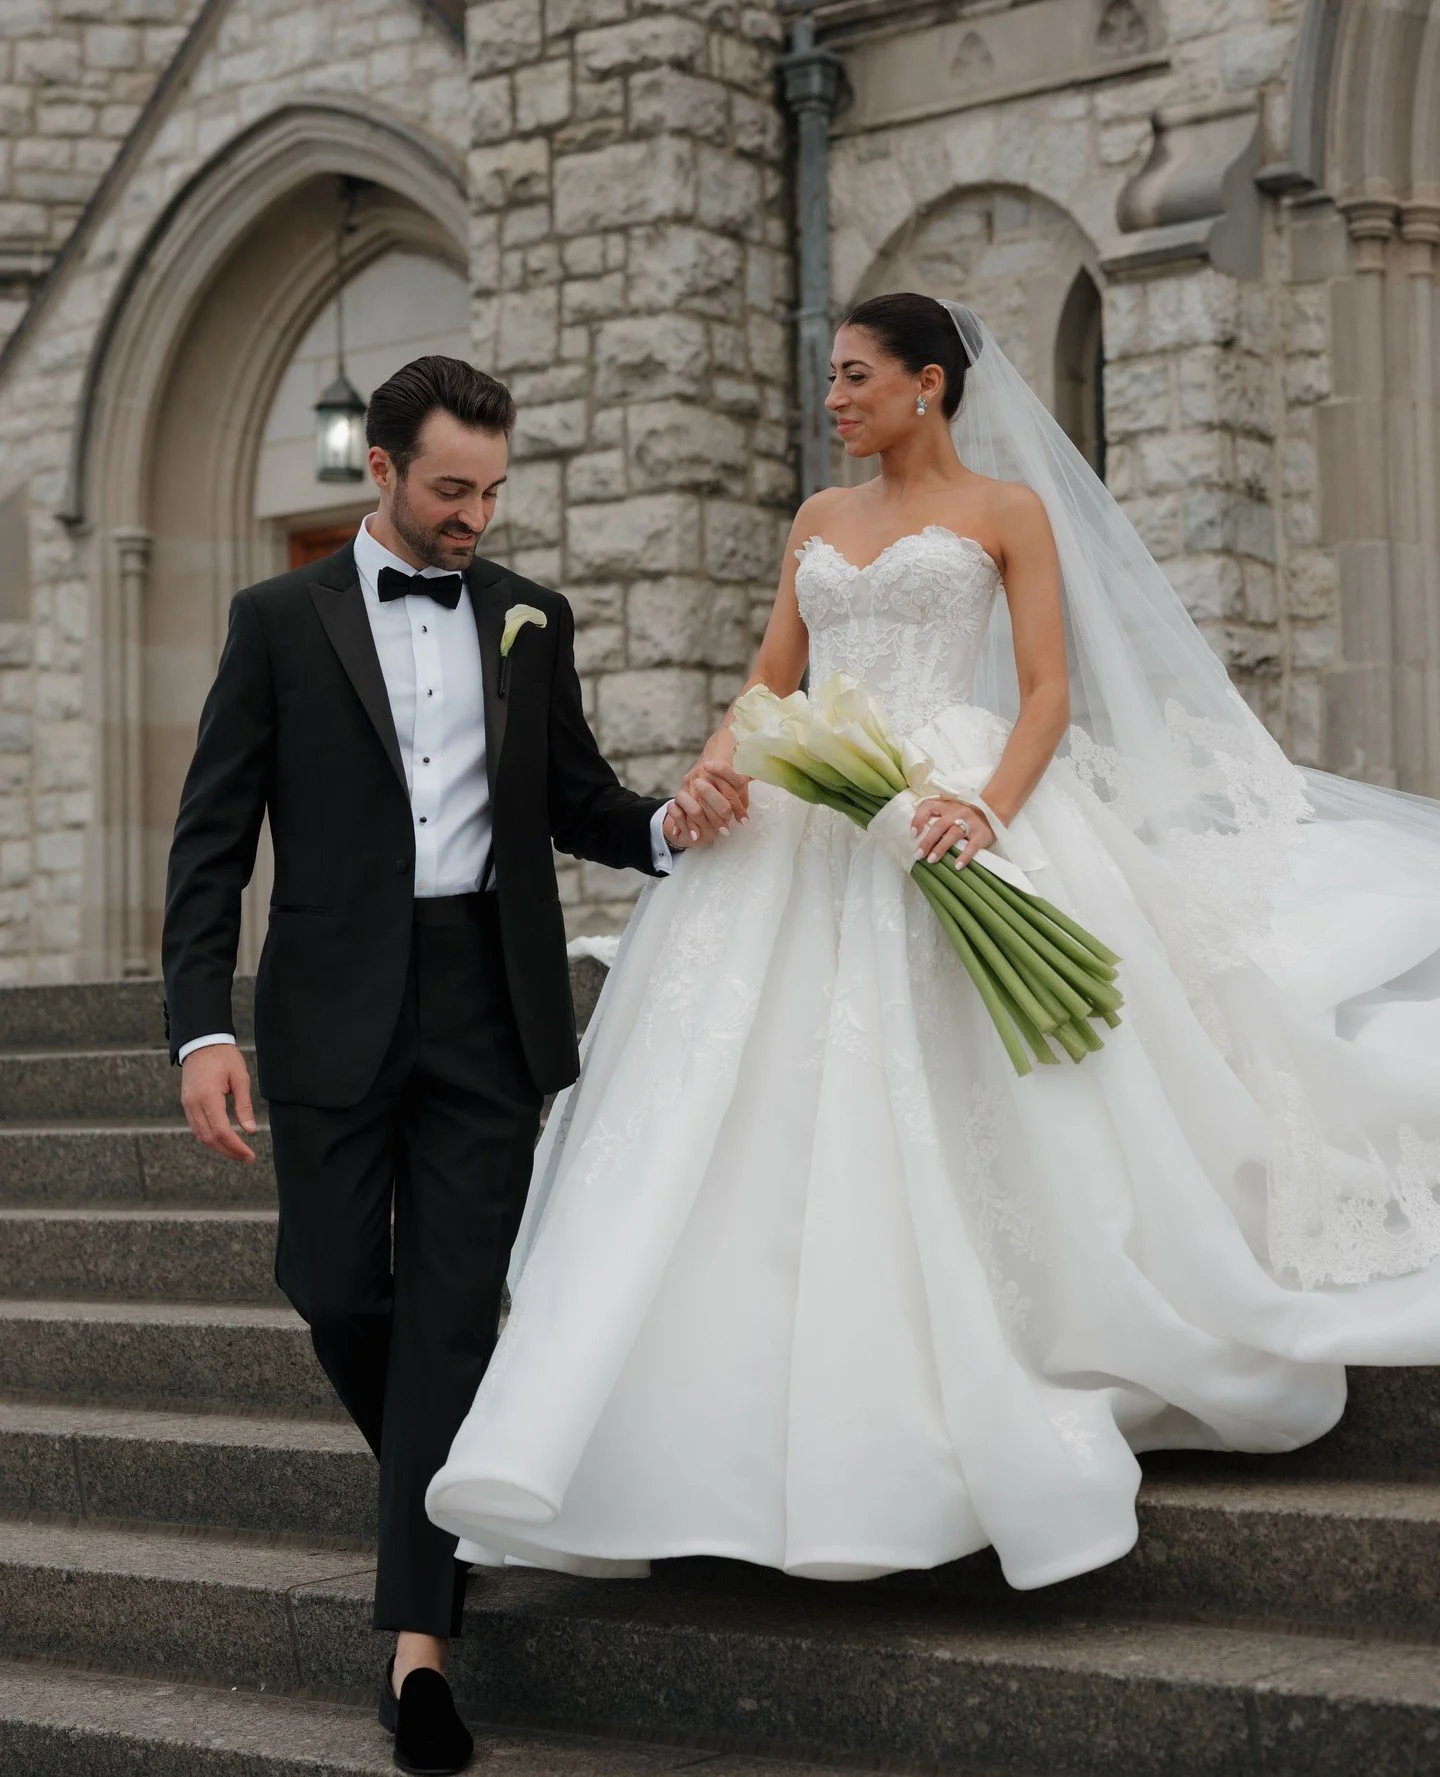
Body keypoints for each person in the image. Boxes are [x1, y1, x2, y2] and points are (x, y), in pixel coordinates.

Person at [427, 296, 1440, 1591]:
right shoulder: (818, 522)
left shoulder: (1008, 511)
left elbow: (1050, 690)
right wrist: (715, 773)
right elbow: (768, 677)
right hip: (809, 815)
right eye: (831, 379)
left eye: (856, 377)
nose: (835, 398)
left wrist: (982, 809)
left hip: (951, 791)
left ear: (929, 385)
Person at [161, 355, 724, 1776]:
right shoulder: (277, 620)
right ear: (385, 471)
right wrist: (199, 1026)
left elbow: (577, 799)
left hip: (490, 1004)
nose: (475, 515)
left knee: (454, 1312)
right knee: (336, 1284)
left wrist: (673, 825)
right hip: (330, 1010)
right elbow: (213, 840)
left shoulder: (533, 617)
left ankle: (420, 1655)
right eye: (451, 489)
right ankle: (455, 1487)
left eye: (492, 490)